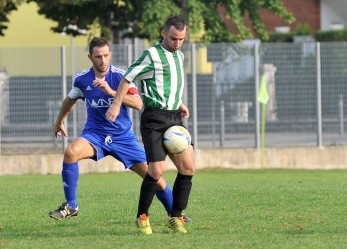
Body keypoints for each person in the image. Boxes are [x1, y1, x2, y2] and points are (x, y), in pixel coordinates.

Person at [48, 37, 191, 224]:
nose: (103, 60)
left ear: (110, 54)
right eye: (98, 56)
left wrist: (111, 92)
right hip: (95, 135)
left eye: (106, 55)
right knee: (71, 152)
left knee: (155, 176)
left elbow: (138, 103)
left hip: (123, 138)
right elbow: (71, 99)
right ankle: (71, 206)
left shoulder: (120, 76)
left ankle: (175, 214)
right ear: (90, 57)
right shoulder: (82, 79)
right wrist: (60, 120)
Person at [106, 16, 195, 234]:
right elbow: (127, 78)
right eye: (174, 38)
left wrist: (180, 103)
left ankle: (175, 216)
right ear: (164, 33)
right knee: (156, 169)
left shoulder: (180, 55)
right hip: (154, 118)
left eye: (181, 39)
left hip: (174, 117)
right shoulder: (151, 55)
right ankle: (142, 216)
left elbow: (168, 83)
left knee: (188, 168)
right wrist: (116, 105)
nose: (177, 43)